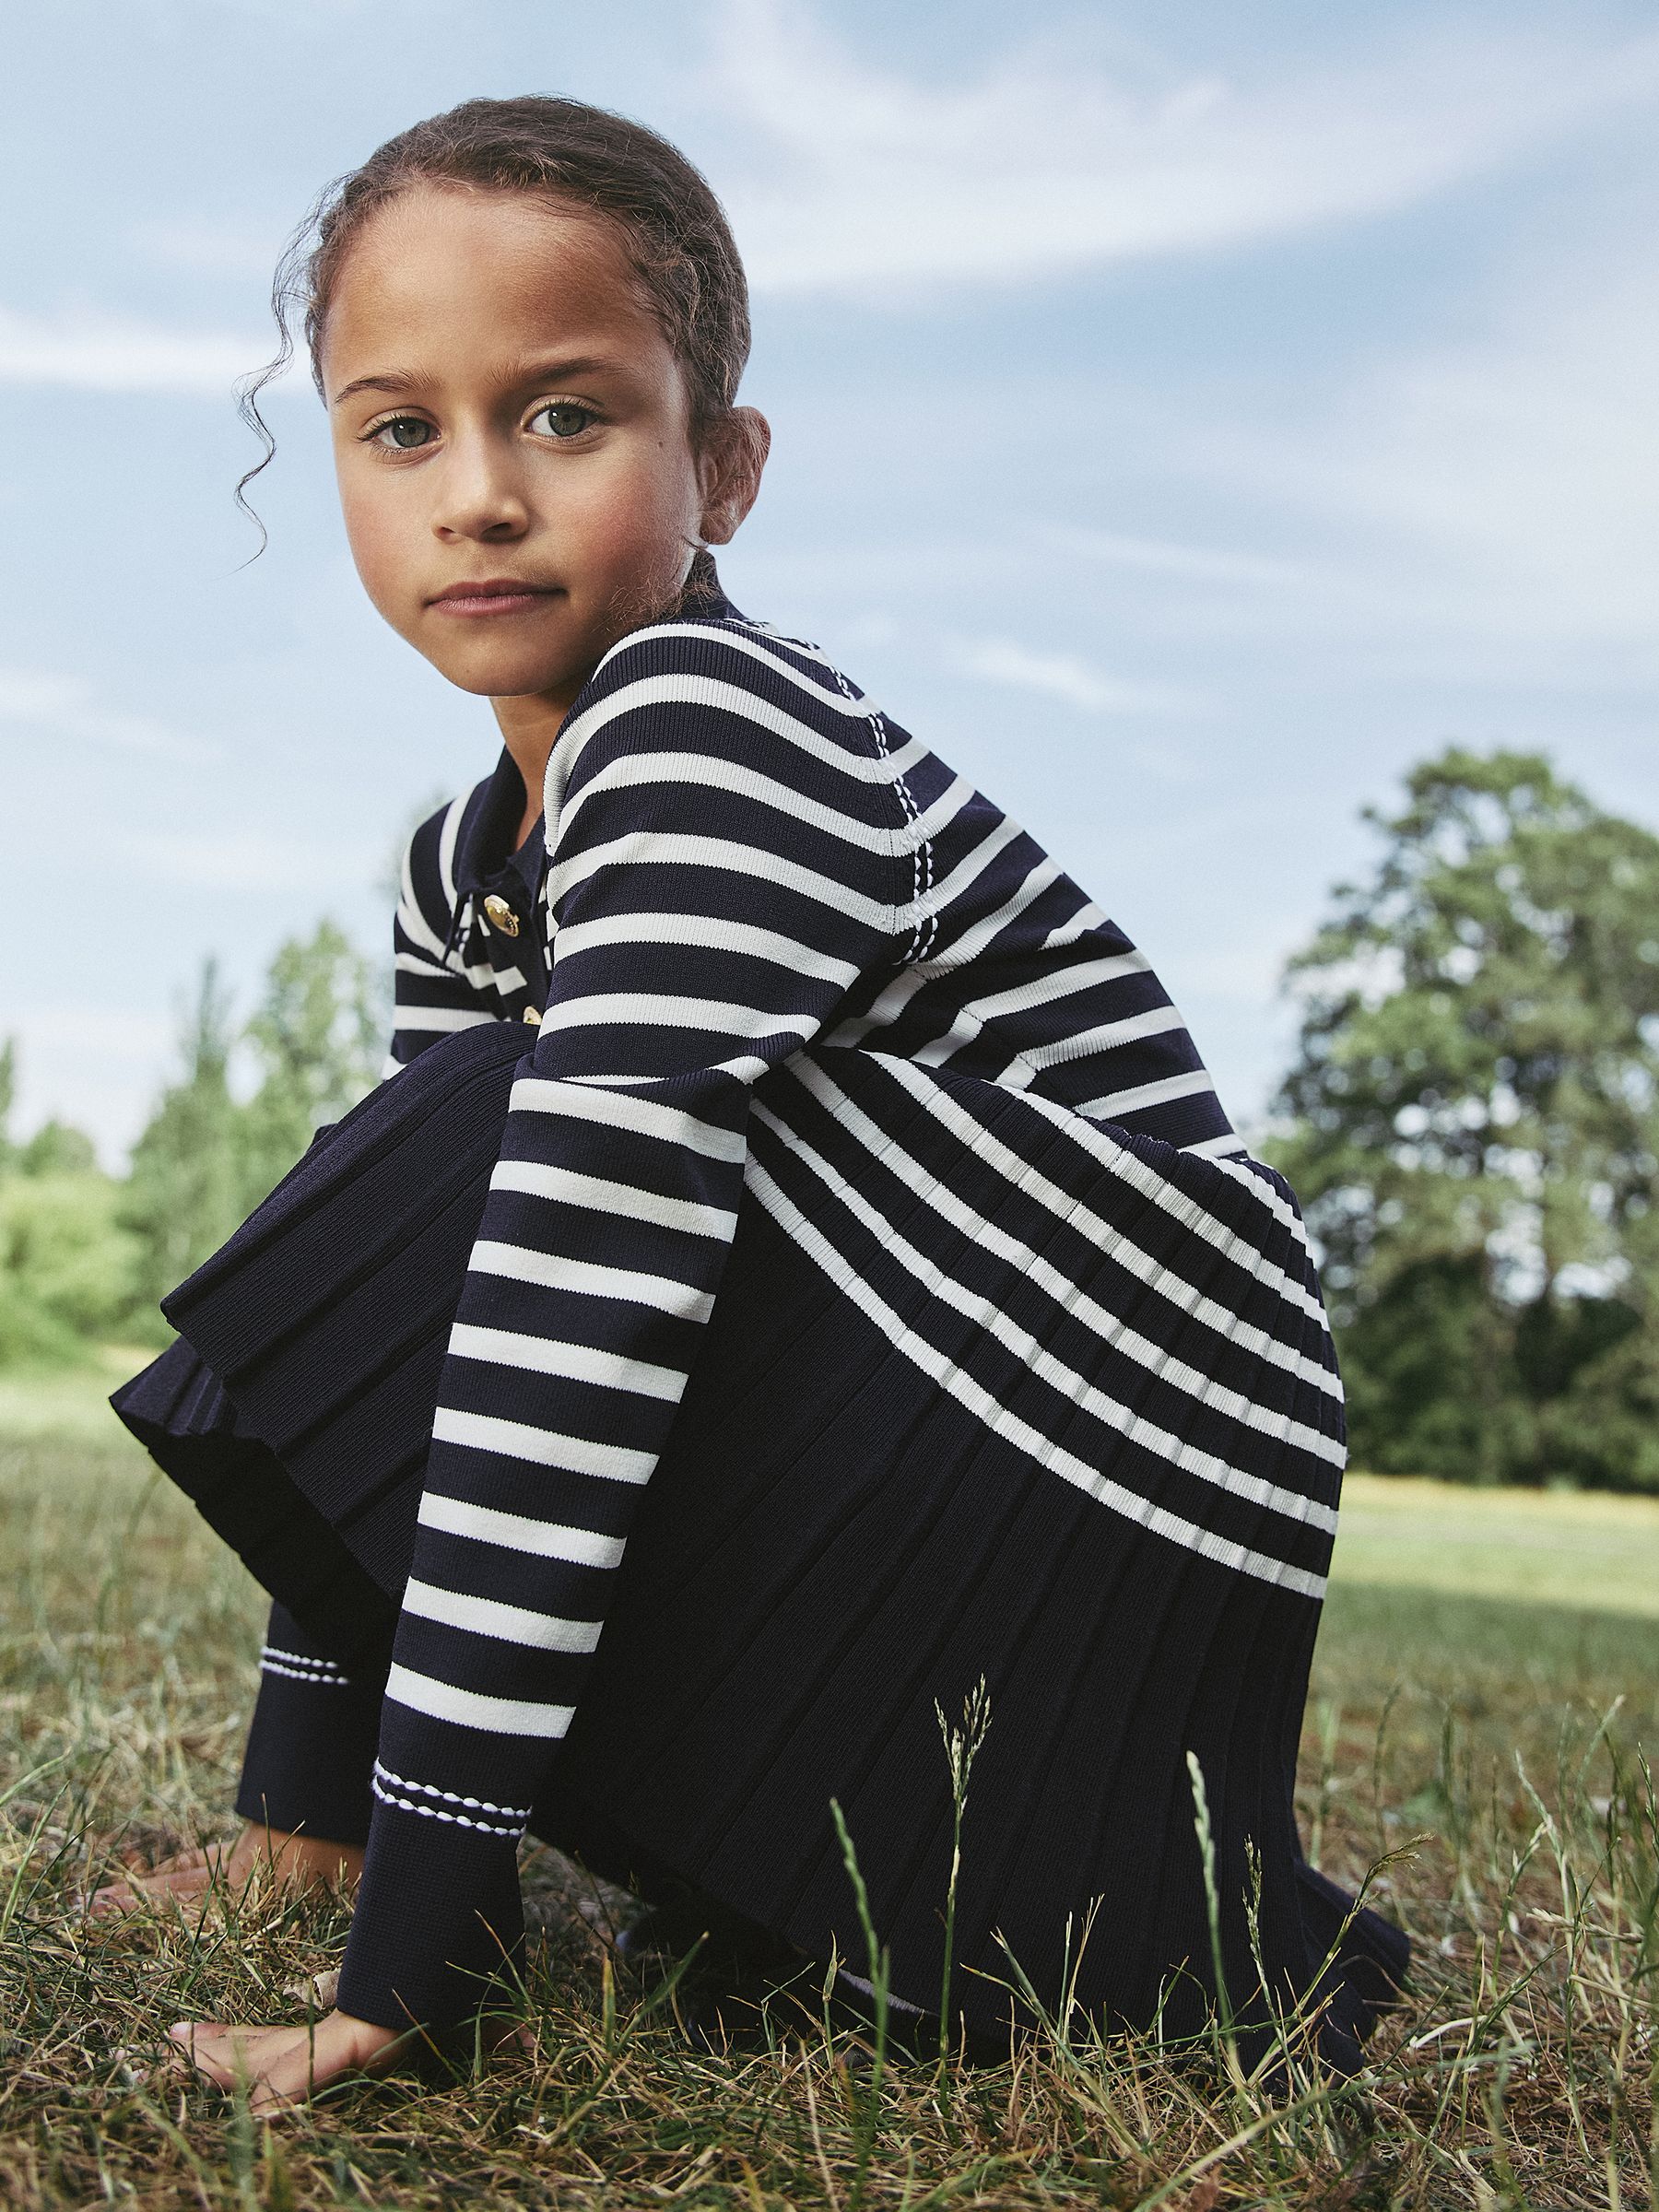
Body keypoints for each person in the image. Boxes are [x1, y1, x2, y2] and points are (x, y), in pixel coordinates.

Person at [101, 95, 1406, 2111]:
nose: (477, 497)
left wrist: (423, 1946)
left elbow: (563, 1322)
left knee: (515, 1171)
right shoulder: (477, 855)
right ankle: (479, 1828)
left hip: (1120, 1463)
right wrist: (317, 1797)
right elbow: (384, 1357)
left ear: (724, 465)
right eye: (398, 429)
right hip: (930, 1430)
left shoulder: (713, 731)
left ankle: (1077, 1883)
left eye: (564, 415)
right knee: (392, 1188)